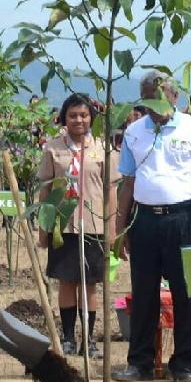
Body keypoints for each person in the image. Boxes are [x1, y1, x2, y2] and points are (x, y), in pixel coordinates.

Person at [112, 71, 191, 382]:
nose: (152, 107)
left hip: (184, 219)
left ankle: (184, 364)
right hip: (144, 220)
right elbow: (128, 183)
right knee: (144, 292)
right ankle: (140, 362)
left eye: (158, 99)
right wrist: (120, 229)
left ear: (174, 97)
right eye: (146, 100)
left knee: (186, 293)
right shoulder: (133, 131)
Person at [38, 93, 120, 359]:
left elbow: (111, 190)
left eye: (84, 115)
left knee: (90, 284)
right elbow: (45, 190)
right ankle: (68, 337)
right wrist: (43, 229)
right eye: (73, 115)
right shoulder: (53, 148)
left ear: (91, 118)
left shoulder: (101, 148)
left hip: (94, 224)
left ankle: (90, 339)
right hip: (63, 225)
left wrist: (112, 229)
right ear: (64, 118)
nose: (78, 120)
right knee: (66, 281)